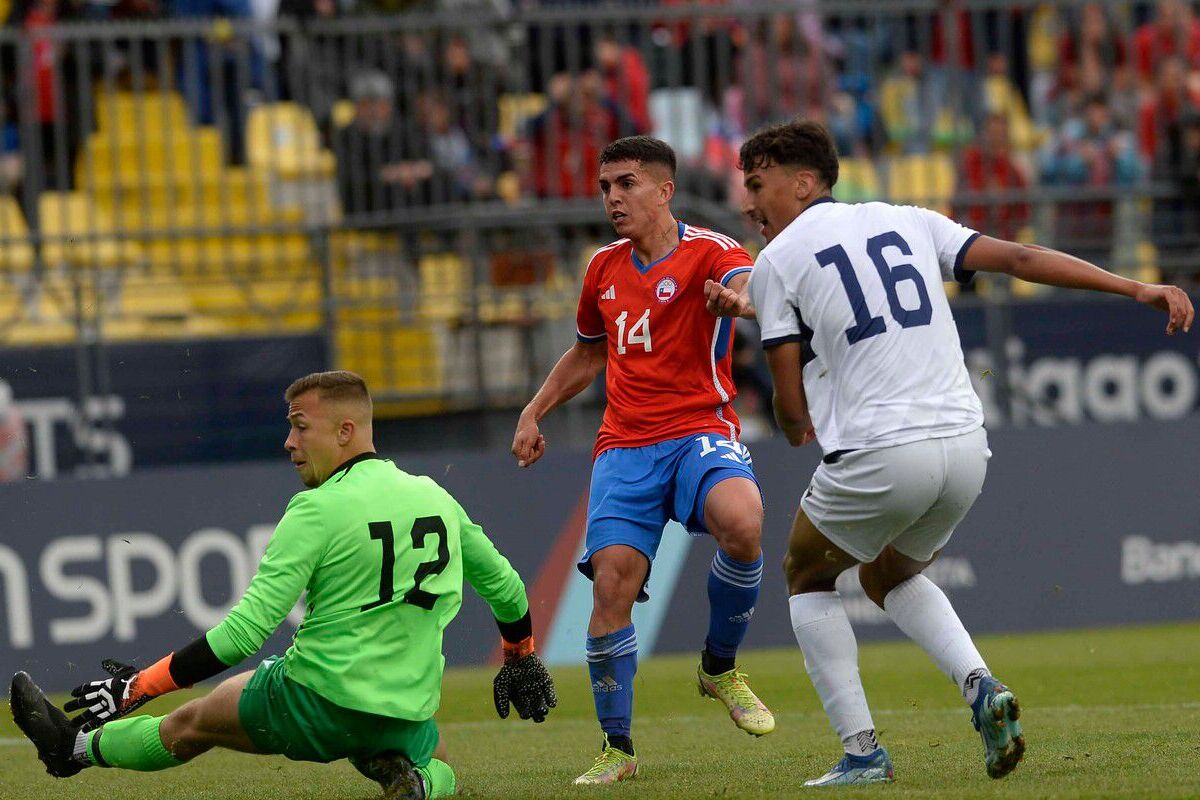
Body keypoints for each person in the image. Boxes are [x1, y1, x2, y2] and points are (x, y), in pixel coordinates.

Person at [704, 120, 1193, 786]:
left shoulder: (777, 261)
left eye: (756, 185)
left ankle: (862, 752)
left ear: (803, 181)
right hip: (964, 446)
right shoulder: (909, 219)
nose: (747, 203)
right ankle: (982, 688)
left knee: (805, 575)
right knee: (887, 575)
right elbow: (1020, 260)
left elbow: (790, 402)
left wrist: (794, 423)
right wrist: (1135, 287)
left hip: (880, 451)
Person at [11, 370, 557, 800]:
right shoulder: (436, 497)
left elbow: (243, 635)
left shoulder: (316, 509)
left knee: (191, 723)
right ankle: (410, 777)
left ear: (345, 431)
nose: (289, 441)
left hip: (310, 703)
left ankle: (72, 747)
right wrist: (521, 655)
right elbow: (508, 589)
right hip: (404, 709)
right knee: (436, 761)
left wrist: (139, 687)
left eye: (301, 425)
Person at [511, 135, 772, 785]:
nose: (612, 198)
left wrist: (743, 302)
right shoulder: (602, 268)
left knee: (742, 522)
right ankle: (618, 749)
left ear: (664, 190)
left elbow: (754, 284)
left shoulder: (711, 252)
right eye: (605, 187)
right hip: (624, 445)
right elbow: (587, 353)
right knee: (611, 585)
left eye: (626, 183)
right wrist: (533, 411)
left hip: (699, 427)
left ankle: (719, 668)